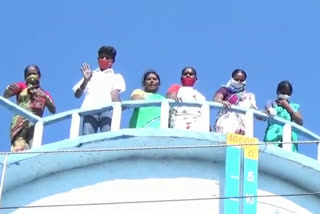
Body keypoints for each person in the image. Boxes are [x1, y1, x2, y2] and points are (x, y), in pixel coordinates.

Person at [72, 46, 125, 135]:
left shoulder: (117, 77)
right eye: (101, 57)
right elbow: (77, 94)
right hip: (90, 110)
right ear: (98, 59)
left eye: (107, 58)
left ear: (112, 61)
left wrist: (118, 106)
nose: (104, 59)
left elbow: (114, 94)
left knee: (106, 137)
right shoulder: (90, 74)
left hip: (108, 110)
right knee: (87, 138)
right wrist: (85, 81)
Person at [3, 65, 56, 152]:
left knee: (33, 147)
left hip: (35, 125)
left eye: (34, 73)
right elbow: (6, 95)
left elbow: (53, 110)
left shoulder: (44, 93)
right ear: (25, 77)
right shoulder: (22, 86)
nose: (31, 76)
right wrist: (8, 91)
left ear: (39, 76)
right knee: (19, 147)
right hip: (20, 122)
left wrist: (46, 99)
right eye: (29, 74)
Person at [213, 69, 257, 135]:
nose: (239, 82)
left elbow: (253, 109)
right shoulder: (225, 90)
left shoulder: (249, 95)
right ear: (232, 79)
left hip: (243, 126)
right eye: (236, 79)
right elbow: (217, 98)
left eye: (242, 80)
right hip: (227, 122)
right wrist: (221, 101)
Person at [264, 80, 303, 152]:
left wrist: (288, 107)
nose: (285, 95)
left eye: (288, 93)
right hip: (273, 138)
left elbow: (300, 122)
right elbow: (263, 116)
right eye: (283, 92)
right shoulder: (271, 104)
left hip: (289, 140)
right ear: (278, 91)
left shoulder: (294, 106)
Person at [166, 66, 206, 131]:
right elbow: (171, 97)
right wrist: (173, 97)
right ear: (181, 78)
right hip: (178, 123)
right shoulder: (176, 88)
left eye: (191, 74)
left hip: (197, 126)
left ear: (196, 79)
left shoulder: (201, 96)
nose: (188, 75)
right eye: (185, 74)